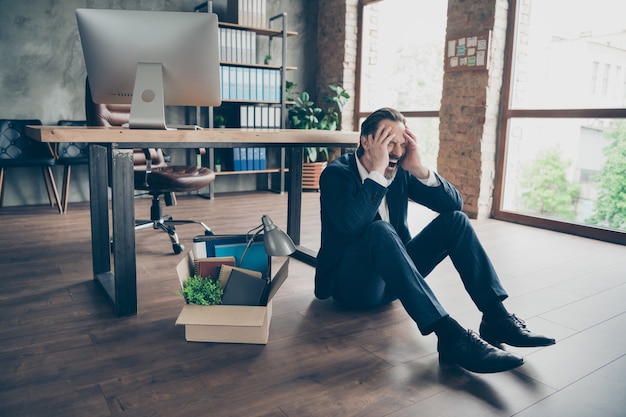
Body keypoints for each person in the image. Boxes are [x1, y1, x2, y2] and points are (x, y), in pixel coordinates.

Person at [314, 107, 555, 374]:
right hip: (353, 288)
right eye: (388, 143)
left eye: (401, 144)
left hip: (394, 281)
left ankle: (495, 316)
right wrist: (378, 174)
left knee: (456, 221)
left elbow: (454, 204)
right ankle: (450, 336)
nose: (396, 151)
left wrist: (418, 168)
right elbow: (352, 223)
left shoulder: (402, 171)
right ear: (366, 141)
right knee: (379, 230)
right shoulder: (336, 174)